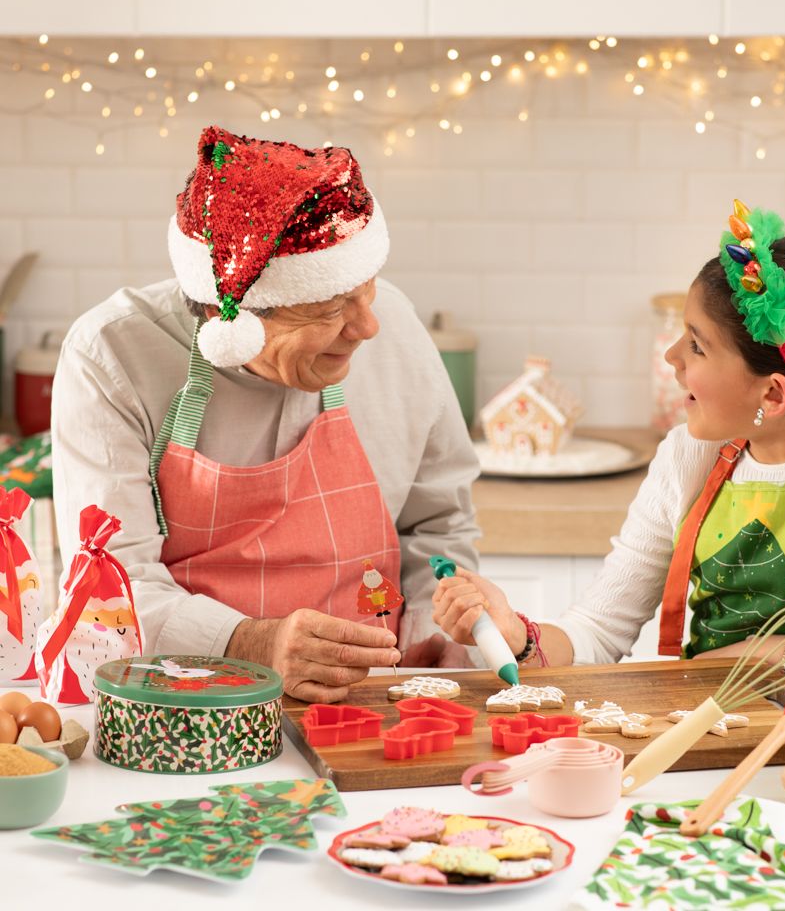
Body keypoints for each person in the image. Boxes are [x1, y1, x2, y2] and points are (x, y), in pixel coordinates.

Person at [433, 199, 785, 666]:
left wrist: (758, 654)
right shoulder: (689, 453)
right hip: (710, 735)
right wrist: (515, 637)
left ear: (773, 395)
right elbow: (597, 631)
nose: (671, 358)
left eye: (696, 345)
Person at [52, 125, 480, 701]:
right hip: (190, 710)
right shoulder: (111, 356)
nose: (368, 327)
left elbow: (439, 525)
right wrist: (252, 644)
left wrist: (437, 626)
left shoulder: (396, 328)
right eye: (329, 310)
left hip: (372, 708)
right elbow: (110, 594)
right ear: (232, 324)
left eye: (367, 289)